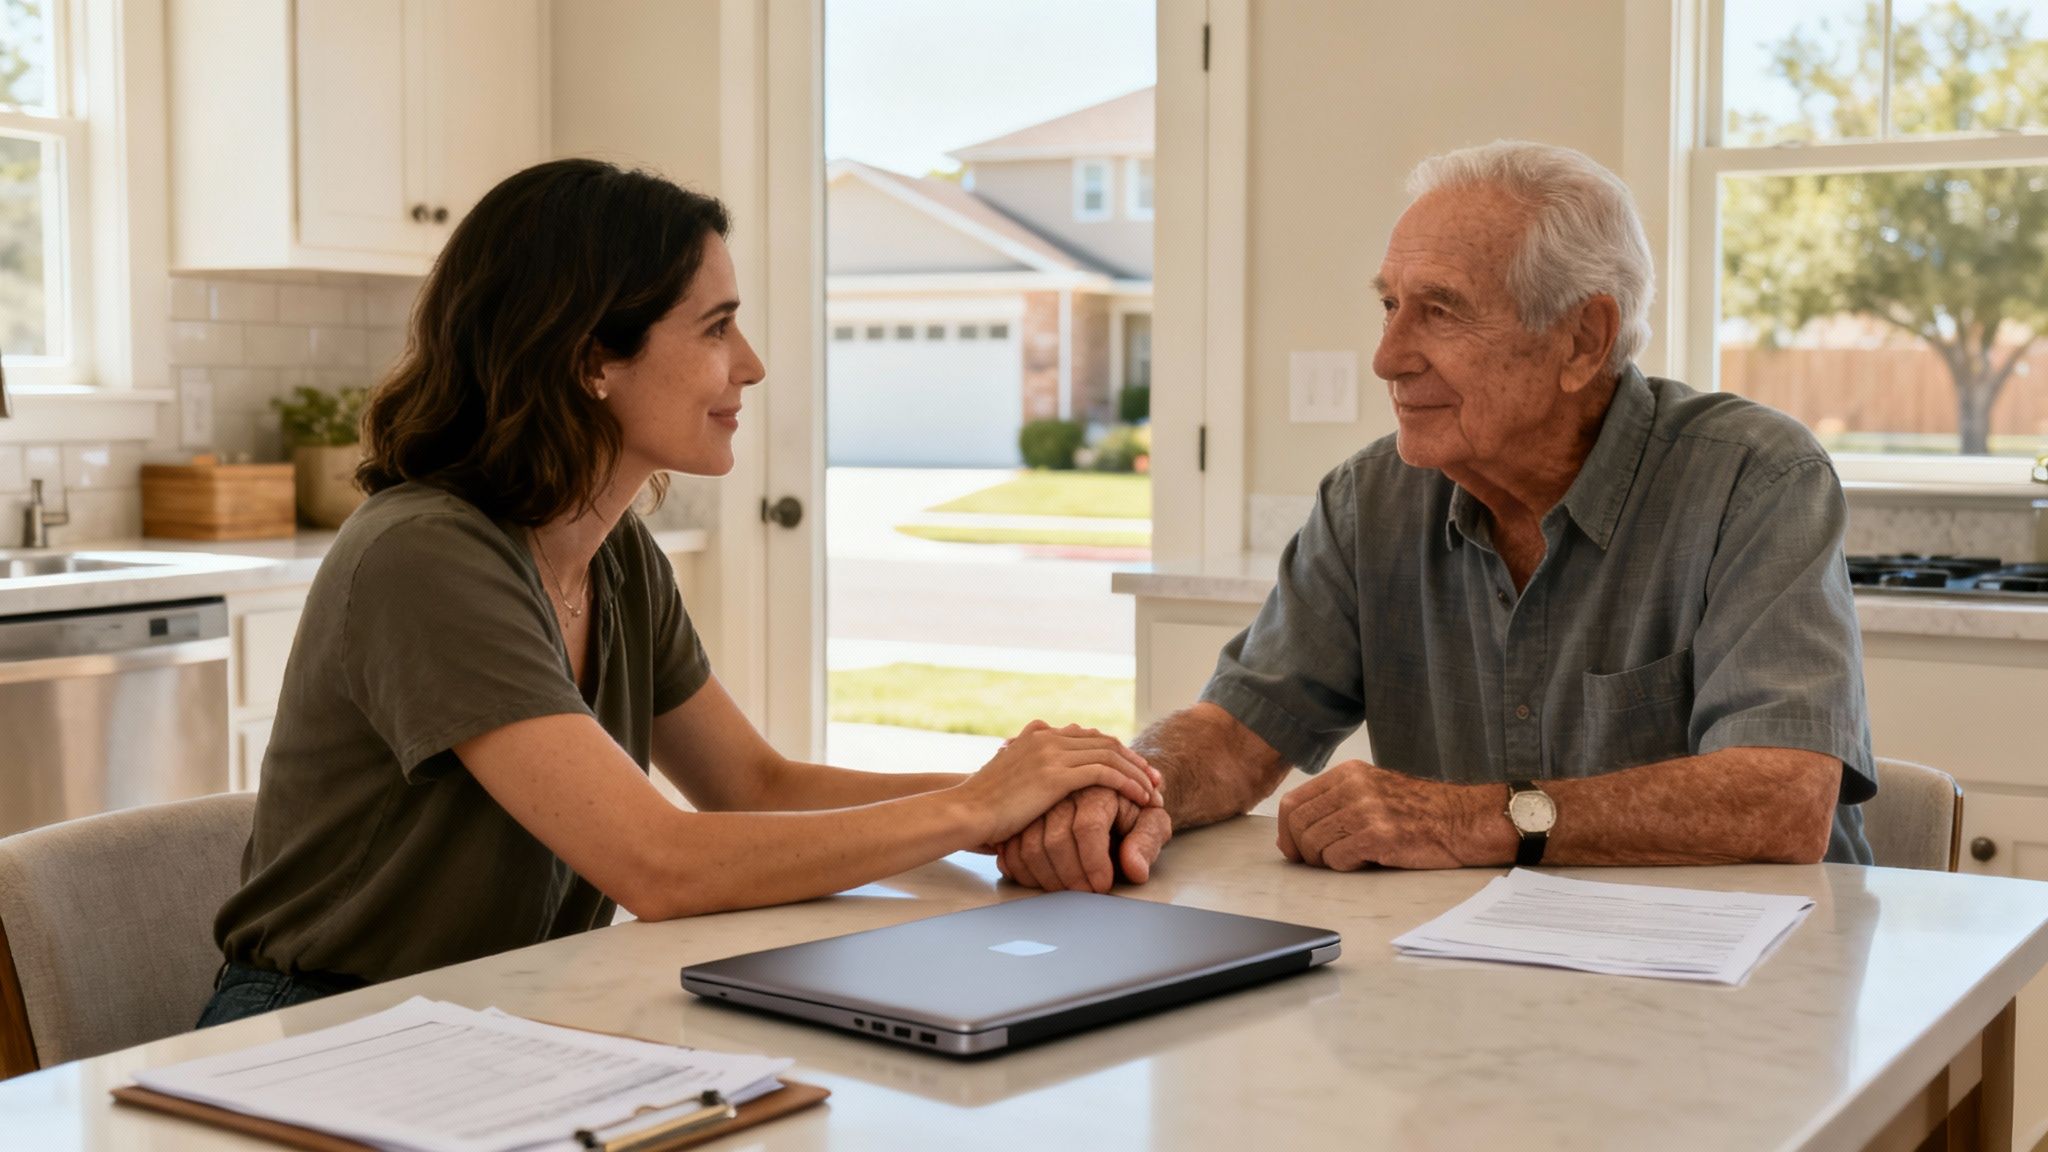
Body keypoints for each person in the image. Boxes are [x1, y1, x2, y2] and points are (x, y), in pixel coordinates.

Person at [198, 159, 1158, 1026]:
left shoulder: (610, 552)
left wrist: (1034, 786)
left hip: (494, 1011)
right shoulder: (427, 556)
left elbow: (754, 786)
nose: (751, 364)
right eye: (715, 328)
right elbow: (658, 863)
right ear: (589, 359)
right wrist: (978, 808)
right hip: (322, 1026)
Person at [994, 139, 1875, 892]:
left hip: (1752, 981)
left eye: (1441, 311)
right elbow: (1238, 732)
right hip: (1468, 976)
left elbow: (1784, 797)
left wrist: (1470, 818)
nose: (1386, 356)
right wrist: (1127, 790)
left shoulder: (1754, 480)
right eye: (1388, 305)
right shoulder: (1369, 499)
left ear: (1583, 340)